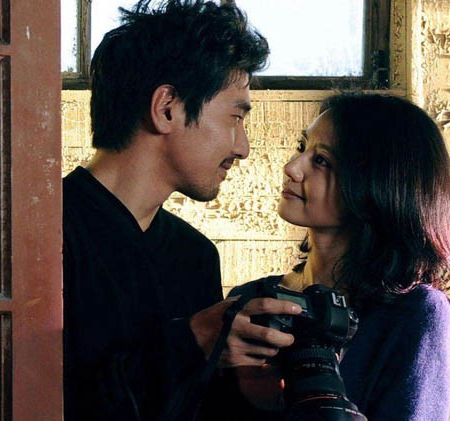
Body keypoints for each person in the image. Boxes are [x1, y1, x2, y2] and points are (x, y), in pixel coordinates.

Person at [62, 1, 303, 420]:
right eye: (235, 117)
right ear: (167, 108)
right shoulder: (46, 235)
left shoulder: (194, 255)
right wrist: (193, 342)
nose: (243, 147)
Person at [228, 92, 450, 420]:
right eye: (301, 147)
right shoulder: (253, 301)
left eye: (321, 161)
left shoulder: (415, 312)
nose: (291, 167)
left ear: (376, 184)